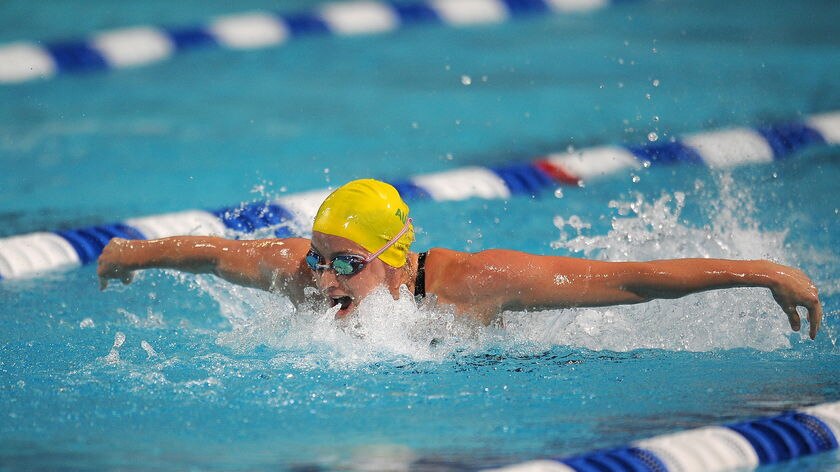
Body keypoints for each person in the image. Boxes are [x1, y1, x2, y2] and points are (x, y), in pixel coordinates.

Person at [98, 179, 823, 338]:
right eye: (320, 258)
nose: (323, 279)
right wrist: (131, 254)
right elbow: (209, 253)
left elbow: (628, 280)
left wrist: (763, 271)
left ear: (393, 255)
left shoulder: (472, 283)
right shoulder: (302, 274)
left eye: (346, 264)